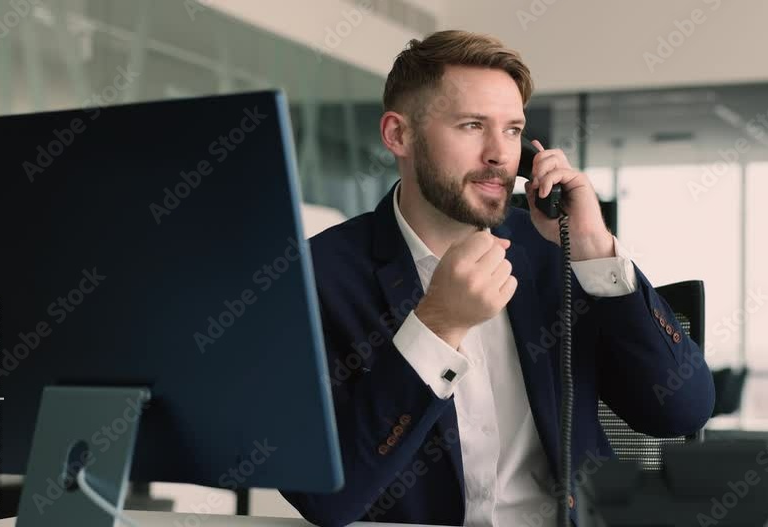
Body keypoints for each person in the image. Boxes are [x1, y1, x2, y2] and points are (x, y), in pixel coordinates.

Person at [280, 30, 715, 526]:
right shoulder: (316, 278)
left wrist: (595, 250)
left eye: (512, 130)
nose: (498, 154)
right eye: (471, 126)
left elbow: (680, 411)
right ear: (398, 135)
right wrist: (437, 327)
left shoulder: (557, 252)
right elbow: (328, 501)